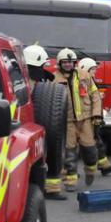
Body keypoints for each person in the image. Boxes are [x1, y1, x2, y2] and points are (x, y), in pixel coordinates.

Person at [53, 48, 102, 191]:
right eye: (65, 62)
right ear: (59, 63)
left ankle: (90, 170)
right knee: (69, 153)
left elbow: (95, 96)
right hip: (67, 122)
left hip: (86, 120)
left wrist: (97, 115)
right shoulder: (53, 79)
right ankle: (70, 181)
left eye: (71, 62)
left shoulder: (84, 75)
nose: (68, 64)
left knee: (90, 150)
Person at [23, 44, 65, 200]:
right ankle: (44, 189)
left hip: (36, 127)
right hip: (29, 128)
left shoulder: (36, 82)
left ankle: (49, 188)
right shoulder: (25, 83)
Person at [76, 58, 111, 176]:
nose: (95, 72)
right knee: (76, 146)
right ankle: (72, 171)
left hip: (92, 117)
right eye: (93, 69)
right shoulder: (81, 82)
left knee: (97, 141)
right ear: (85, 69)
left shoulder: (90, 81)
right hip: (84, 118)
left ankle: (104, 165)